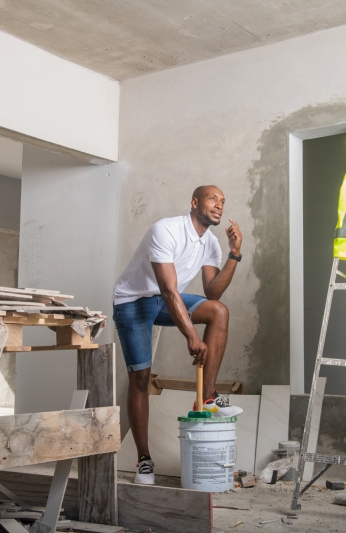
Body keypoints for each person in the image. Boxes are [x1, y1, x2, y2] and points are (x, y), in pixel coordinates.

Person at [113, 185, 244, 484]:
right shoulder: (165, 230)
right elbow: (169, 289)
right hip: (133, 301)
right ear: (195, 202)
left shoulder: (211, 243)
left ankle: (207, 397)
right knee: (141, 379)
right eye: (213, 199)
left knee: (218, 311)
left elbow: (212, 292)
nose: (219, 206)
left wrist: (234, 255)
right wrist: (191, 337)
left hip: (163, 300)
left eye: (223, 202)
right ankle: (144, 460)